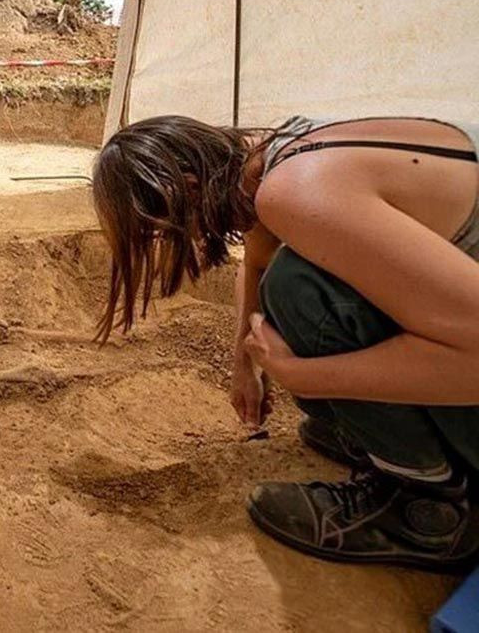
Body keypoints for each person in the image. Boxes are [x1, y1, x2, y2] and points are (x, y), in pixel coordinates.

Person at [92, 113, 479, 569]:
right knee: (285, 282)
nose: (188, 241)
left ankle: (430, 511)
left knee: (297, 288)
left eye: (164, 232)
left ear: (189, 190)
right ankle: (403, 443)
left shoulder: (291, 190)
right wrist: (243, 363)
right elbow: (255, 261)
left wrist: (304, 376)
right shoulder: (279, 149)